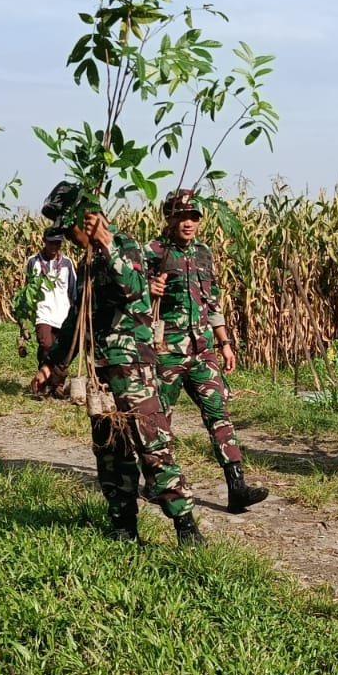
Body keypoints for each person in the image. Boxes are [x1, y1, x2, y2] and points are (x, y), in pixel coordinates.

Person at [31, 181, 202, 546]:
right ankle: (123, 526)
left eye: (73, 229)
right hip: (102, 373)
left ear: (90, 220)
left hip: (134, 370)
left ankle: (186, 528)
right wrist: (53, 365)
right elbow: (78, 318)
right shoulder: (87, 262)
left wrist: (106, 245)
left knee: (152, 446)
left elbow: (134, 289)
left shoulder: (126, 248)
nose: (71, 238)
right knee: (111, 451)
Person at [145, 188, 270, 513]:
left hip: (203, 351)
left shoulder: (204, 253)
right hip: (166, 350)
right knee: (160, 421)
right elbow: (130, 297)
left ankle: (236, 486)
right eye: (182, 216)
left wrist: (225, 342)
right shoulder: (153, 251)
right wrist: (148, 288)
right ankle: (156, 480)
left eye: (194, 217)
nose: (188, 223)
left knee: (219, 415)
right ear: (169, 217)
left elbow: (212, 302)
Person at [24, 227, 77, 373]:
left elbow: (73, 290)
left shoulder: (67, 263)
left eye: (58, 243)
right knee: (46, 346)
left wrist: (75, 313)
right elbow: (27, 289)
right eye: (51, 243)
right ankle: (42, 383)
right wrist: (24, 317)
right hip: (43, 313)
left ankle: (56, 384)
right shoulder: (33, 262)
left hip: (63, 314)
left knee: (60, 350)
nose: (54, 247)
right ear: (44, 241)